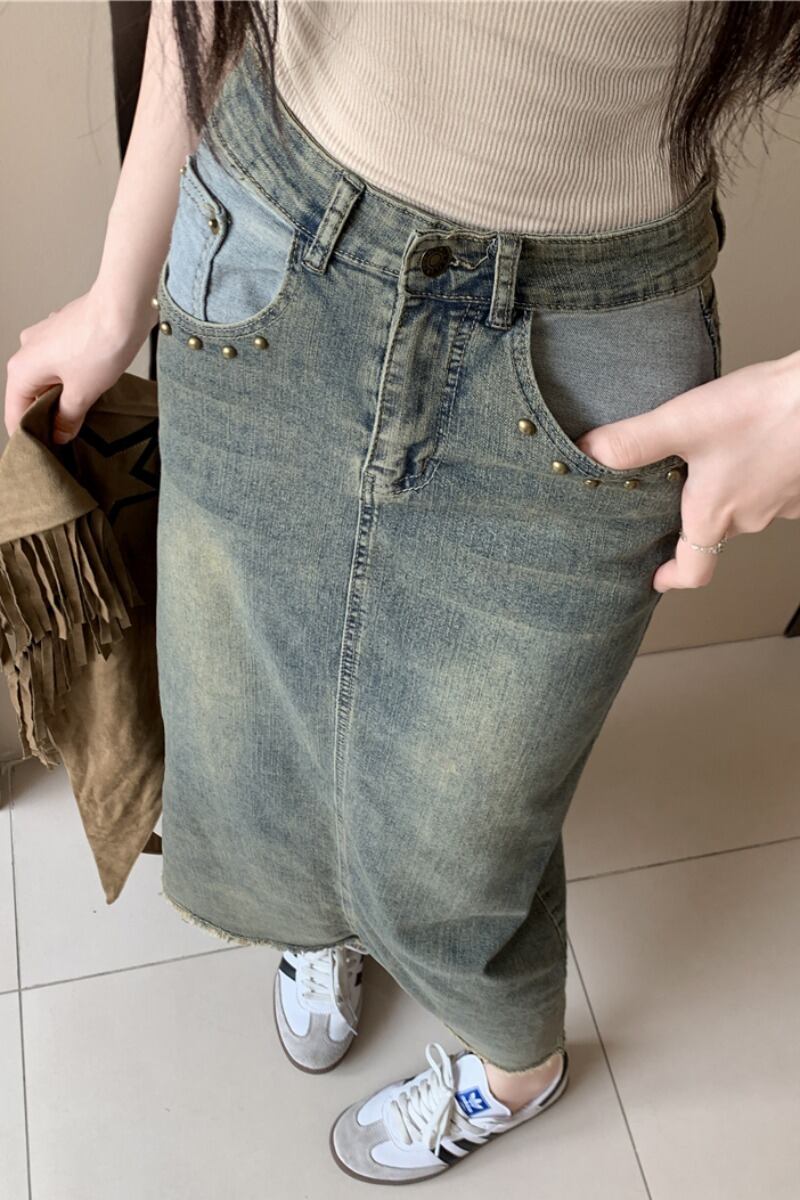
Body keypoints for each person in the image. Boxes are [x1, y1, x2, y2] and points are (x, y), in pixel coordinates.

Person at [6, 1, 800, 1187]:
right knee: (252, 708)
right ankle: (316, 920)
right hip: (268, 236)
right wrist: (119, 284)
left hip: (584, 346)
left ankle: (517, 1066)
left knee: (468, 820)